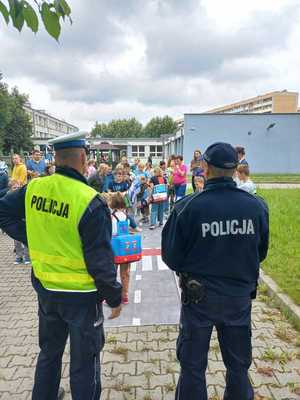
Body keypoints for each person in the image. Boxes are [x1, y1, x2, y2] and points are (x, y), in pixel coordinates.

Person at [0, 132, 122, 400]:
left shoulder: (35, 188)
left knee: (49, 353)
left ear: (56, 158)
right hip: (82, 298)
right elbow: (100, 262)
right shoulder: (89, 199)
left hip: (47, 291)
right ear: (82, 158)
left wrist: (31, 235)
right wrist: (115, 296)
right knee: (84, 363)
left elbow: (3, 211)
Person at [162, 142, 269, 400]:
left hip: (199, 300)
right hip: (238, 299)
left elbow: (171, 256)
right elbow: (260, 252)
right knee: (238, 367)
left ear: (206, 168)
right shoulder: (256, 206)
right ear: (234, 170)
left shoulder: (187, 207)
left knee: (192, 367)